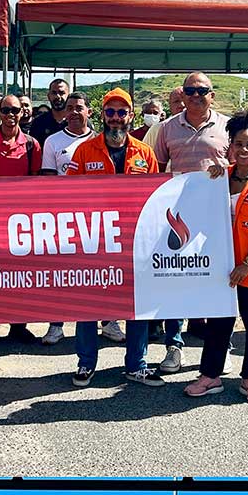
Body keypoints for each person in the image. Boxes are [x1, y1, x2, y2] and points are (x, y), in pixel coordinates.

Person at [67, 88, 164, 388]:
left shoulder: (145, 153)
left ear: (130, 116)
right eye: (110, 112)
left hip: (135, 242)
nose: (116, 118)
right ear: (102, 115)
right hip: (95, 240)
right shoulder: (84, 151)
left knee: (138, 304)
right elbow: (68, 194)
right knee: (89, 305)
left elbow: (157, 197)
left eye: (122, 112)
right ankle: (86, 363)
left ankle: (137, 364)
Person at [184, 109, 248, 403]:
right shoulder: (218, 177)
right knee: (218, 324)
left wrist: (246, 264)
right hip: (222, 266)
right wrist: (208, 179)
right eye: (238, 143)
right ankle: (210, 376)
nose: (243, 149)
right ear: (230, 145)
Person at [153, 71, 231, 371]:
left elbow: (242, 166)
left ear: (212, 94)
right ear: (182, 95)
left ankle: (216, 349)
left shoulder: (226, 125)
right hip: (178, 216)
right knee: (176, 280)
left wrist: (228, 165)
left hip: (217, 217)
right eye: (190, 90)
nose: (196, 95)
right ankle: (174, 345)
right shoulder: (167, 128)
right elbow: (158, 170)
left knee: (216, 280)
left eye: (202, 90)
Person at [39, 92, 125, 348]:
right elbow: (47, 180)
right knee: (65, 273)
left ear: (89, 112)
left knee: (106, 273)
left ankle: (109, 321)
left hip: (109, 221)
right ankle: (56, 324)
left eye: (80, 107)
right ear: (64, 112)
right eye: (70, 108)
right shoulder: (53, 141)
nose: (75, 112)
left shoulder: (104, 139)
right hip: (68, 216)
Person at [0, 93, 42, 347]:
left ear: (22, 113)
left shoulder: (32, 144)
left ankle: (18, 326)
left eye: (15, 111)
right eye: (5, 111)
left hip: (21, 222)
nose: (10, 115)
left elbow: (35, 183)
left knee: (19, 276)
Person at [29, 77, 70, 145]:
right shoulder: (38, 123)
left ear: (68, 96)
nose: (57, 96)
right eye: (54, 93)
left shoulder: (77, 121)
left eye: (61, 93)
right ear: (48, 96)